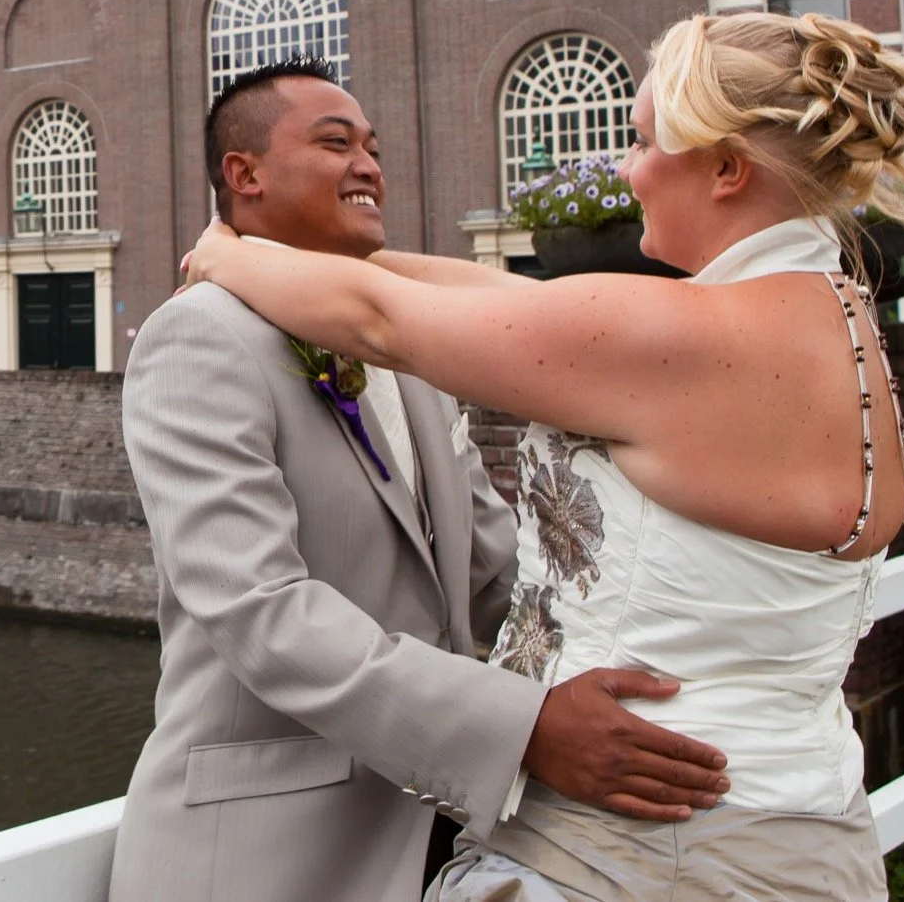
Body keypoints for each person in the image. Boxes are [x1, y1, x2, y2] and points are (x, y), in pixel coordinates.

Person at [185, 12, 904, 901]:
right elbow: (498, 295)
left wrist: (220, 253)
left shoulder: (686, 338)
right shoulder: (838, 328)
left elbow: (376, 319)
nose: (626, 173)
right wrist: (292, 250)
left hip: (637, 851)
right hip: (805, 834)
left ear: (727, 168)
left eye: (638, 141)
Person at [111, 59, 731, 902]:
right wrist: (523, 731)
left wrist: (649, 666)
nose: (368, 163)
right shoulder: (198, 337)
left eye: (373, 146)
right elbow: (261, 612)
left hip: (437, 843)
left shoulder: (402, 351)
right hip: (263, 860)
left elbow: (493, 575)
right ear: (243, 173)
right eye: (336, 143)